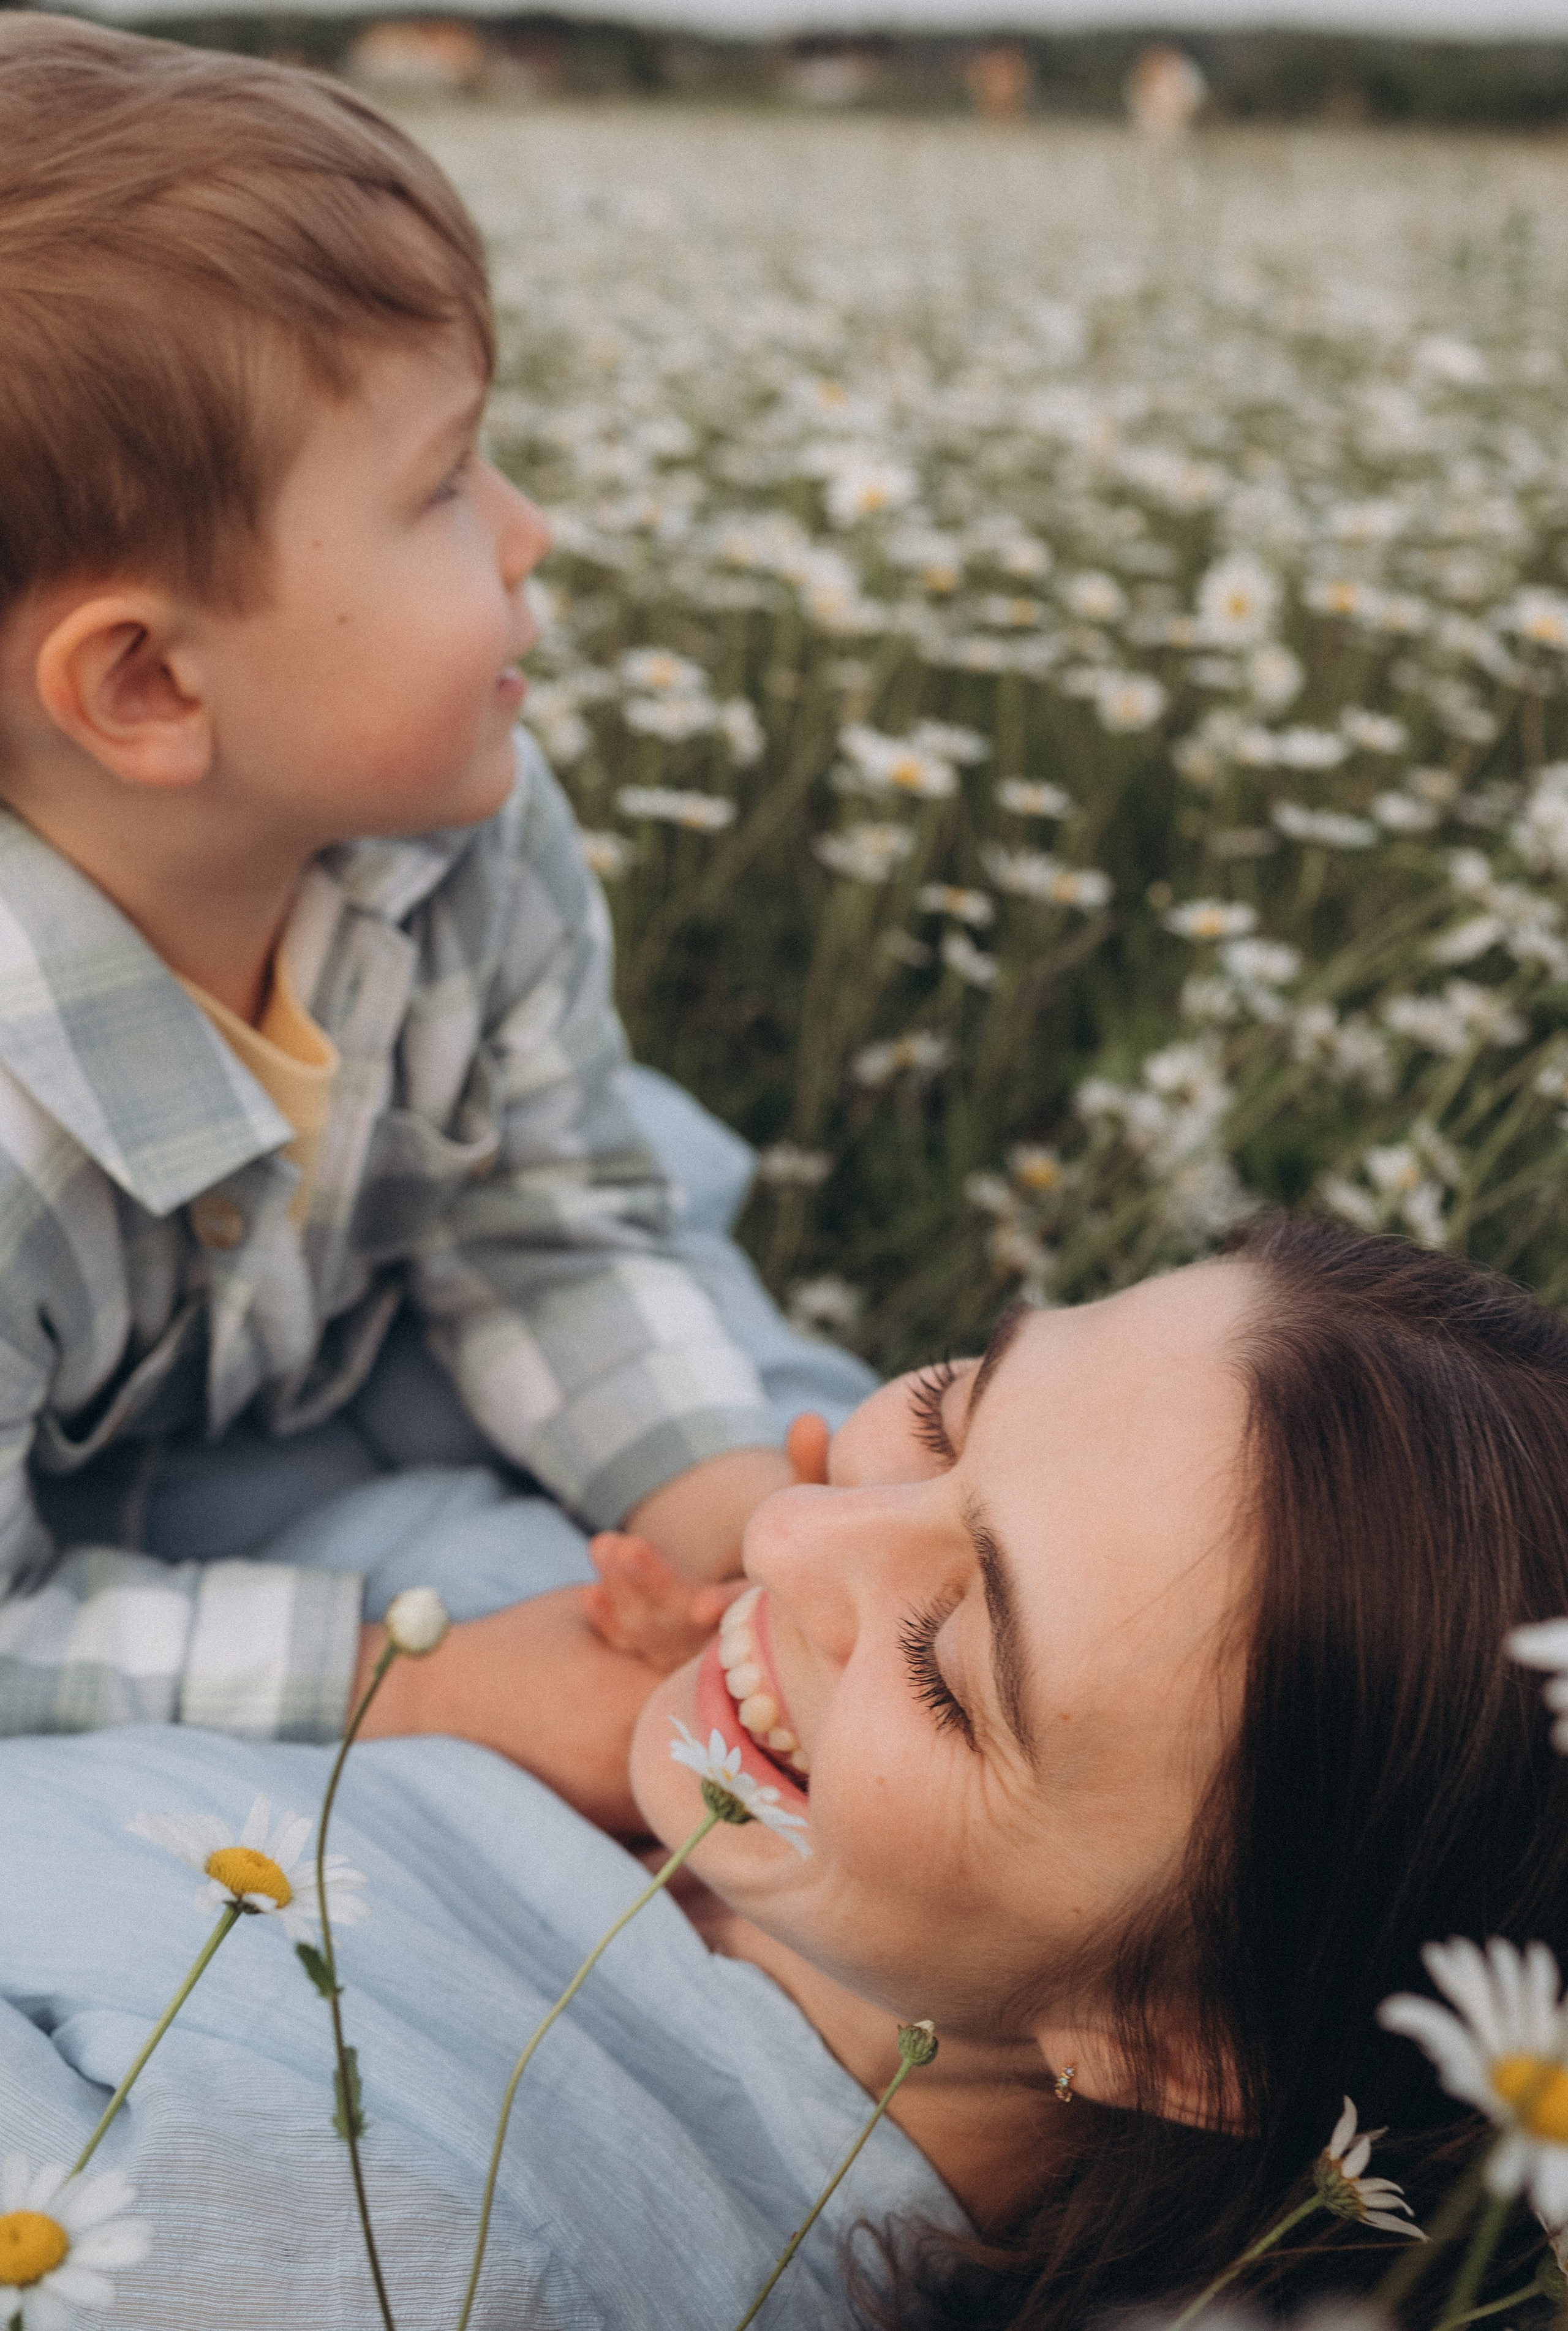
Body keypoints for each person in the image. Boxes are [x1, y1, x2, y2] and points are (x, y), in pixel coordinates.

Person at [0, 14, 873, 1756]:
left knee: (785, 1420)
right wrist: (416, 1680)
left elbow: (544, 1213)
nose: (530, 523)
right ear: (153, 688)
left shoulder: (465, 829)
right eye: (443, 482)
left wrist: (725, 1530)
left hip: (313, 1333)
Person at [345, 1215, 1568, 2325]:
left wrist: (397, 1687)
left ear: (1165, 2043)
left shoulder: (411, 2237)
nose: (784, 1530)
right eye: (944, 1414)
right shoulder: (770, 1459)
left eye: (943, 1672)